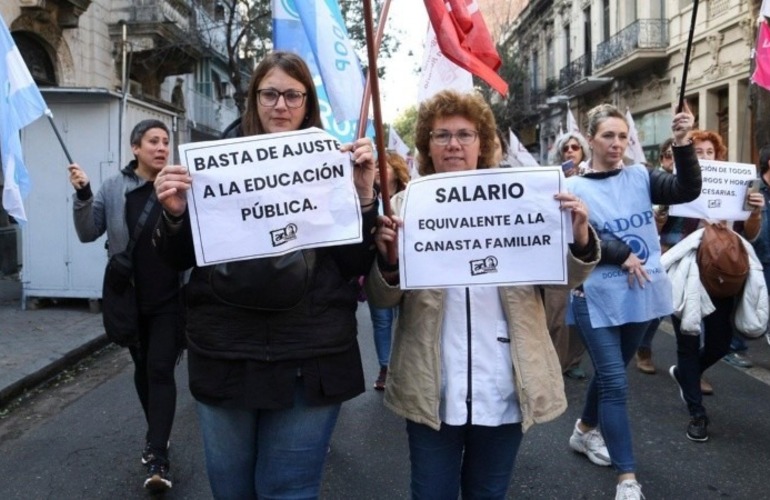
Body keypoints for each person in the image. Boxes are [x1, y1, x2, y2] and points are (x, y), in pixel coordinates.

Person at [151, 51, 378, 499]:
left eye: (293, 95)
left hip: (310, 353)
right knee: (231, 490)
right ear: (253, 99)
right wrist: (174, 215)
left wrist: (364, 196)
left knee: (289, 489)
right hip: (226, 352)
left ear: (308, 103)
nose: (281, 105)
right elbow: (178, 259)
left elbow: (355, 266)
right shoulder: (211, 166)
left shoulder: (334, 165)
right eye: (270, 93)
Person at [365, 89, 601, 499]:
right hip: (431, 389)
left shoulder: (527, 199)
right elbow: (382, 300)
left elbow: (565, 279)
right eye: (441, 136)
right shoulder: (404, 207)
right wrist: (388, 262)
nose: (453, 144)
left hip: (505, 385)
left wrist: (578, 236)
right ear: (427, 146)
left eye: (464, 134)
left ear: (483, 143)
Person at [565, 103, 700, 500]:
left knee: (611, 375)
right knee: (616, 383)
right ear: (591, 139)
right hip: (595, 297)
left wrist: (682, 143)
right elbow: (575, 240)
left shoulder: (641, 175)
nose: (616, 144)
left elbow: (686, 189)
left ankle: (584, 430)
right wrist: (618, 250)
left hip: (642, 295)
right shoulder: (572, 188)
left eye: (623, 136)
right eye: (608, 135)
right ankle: (628, 478)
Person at [68, 119, 185, 492]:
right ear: (135, 148)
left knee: (161, 369)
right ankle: (158, 434)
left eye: (166, 142)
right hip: (131, 299)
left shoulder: (179, 182)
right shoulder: (115, 187)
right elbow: (89, 232)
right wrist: (84, 195)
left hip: (170, 297)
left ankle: (158, 458)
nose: (161, 148)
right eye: (153, 141)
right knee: (142, 368)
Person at [666, 129, 764, 443]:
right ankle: (697, 414)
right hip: (686, 272)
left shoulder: (736, 188)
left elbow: (750, 234)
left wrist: (755, 210)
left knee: (721, 342)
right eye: (698, 152)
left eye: (709, 152)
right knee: (688, 342)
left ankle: (686, 372)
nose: (704, 157)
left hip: (721, 275)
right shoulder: (675, 185)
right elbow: (661, 225)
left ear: (717, 157)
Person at [545, 131, 592, 379]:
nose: (571, 151)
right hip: (558, 257)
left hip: (586, 254)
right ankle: (552, 366)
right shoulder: (550, 181)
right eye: (566, 148)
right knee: (557, 316)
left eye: (576, 147)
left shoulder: (593, 180)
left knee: (583, 317)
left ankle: (573, 360)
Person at [369, 151, 411, 390]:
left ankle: (403, 367)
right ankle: (385, 367)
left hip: (409, 271)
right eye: (374, 166)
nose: (376, 170)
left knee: (407, 319)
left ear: (396, 170)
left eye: (382, 166)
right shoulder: (365, 196)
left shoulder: (411, 197)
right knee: (382, 319)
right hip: (380, 271)